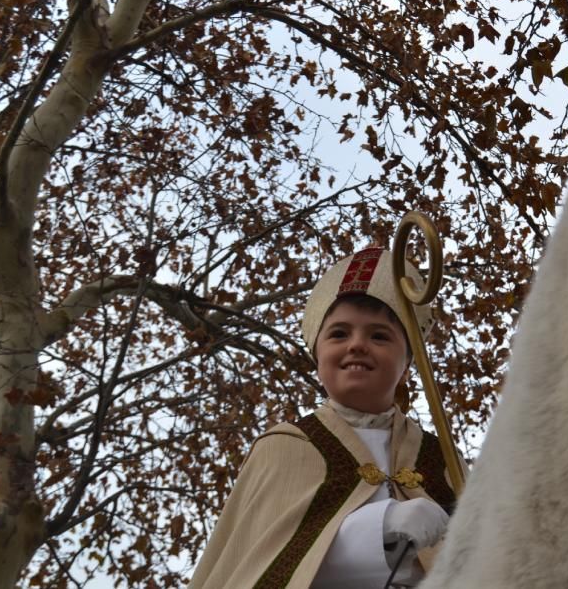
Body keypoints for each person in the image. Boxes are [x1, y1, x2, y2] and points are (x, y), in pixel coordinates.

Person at [188, 247, 462, 589]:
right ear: (317, 356)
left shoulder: (442, 459)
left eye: (379, 336)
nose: (357, 345)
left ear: (407, 364)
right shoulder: (286, 446)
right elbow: (265, 566)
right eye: (339, 334)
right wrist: (382, 527)